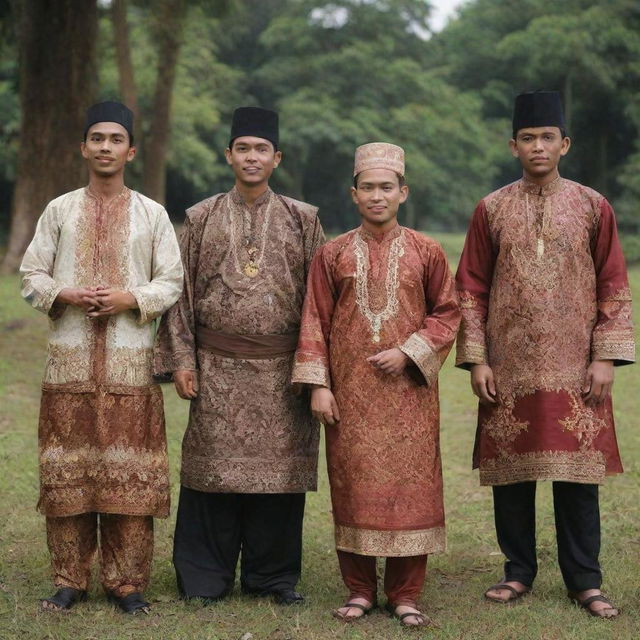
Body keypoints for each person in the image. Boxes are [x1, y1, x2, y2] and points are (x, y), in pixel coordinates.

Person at [455, 91, 634, 618]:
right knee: (513, 472)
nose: (538, 146)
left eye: (547, 137)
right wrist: (477, 357)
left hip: (577, 363)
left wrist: (606, 356)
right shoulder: (491, 208)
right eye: (528, 138)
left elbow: (614, 283)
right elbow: (471, 288)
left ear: (565, 144)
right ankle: (518, 572)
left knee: (578, 474)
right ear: (514, 146)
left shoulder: (592, 204)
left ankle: (585, 580)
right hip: (508, 364)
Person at [154, 106, 324, 605]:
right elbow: (179, 295)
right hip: (216, 369)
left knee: (278, 479)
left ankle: (272, 579)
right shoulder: (201, 217)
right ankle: (205, 579)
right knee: (213, 475)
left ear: (277, 158)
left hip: (282, 373)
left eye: (262, 150)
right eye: (243, 148)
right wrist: (182, 360)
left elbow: (320, 301)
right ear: (229, 155)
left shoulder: (303, 218)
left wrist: (313, 370)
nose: (252, 157)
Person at [20, 101, 183, 614]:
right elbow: (31, 276)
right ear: (84, 148)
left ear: (130, 150)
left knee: (128, 472)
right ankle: (69, 579)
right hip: (68, 364)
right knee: (69, 470)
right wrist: (66, 294)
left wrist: (128, 299)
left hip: (128, 366)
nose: (106, 147)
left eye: (116, 139)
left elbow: (172, 280)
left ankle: (127, 583)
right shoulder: (59, 209)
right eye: (97, 138)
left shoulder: (152, 214)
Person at [291, 143, 460, 627]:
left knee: (412, 487)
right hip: (351, 395)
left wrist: (409, 351)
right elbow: (314, 321)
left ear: (402, 192)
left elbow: (448, 314)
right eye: (368, 187)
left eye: (387, 187)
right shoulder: (332, 253)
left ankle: (406, 594)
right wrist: (319, 386)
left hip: (409, 397)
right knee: (353, 485)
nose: (377, 195)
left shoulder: (427, 251)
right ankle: (360, 590)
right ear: (354, 193)